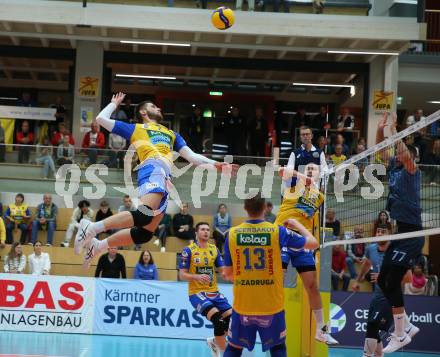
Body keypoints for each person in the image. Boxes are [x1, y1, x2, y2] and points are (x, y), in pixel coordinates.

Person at [74, 93, 237, 268]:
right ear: (143, 112)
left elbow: (192, 157)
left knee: (144, 234)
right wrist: (114, 103)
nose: (158, 108)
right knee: (143, 215)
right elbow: (101, 119)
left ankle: (99, 245)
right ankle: (91, 227)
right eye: (153, 106)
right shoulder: (136, 128)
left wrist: (216, 165)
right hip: (152, 168)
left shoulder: (171, 134)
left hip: (165, 177)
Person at [222, 195, 318, 356]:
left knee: (233, 348)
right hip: (271, 305)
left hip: (243, 304)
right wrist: (297, 224)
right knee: (278, 348)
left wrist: (245, 277)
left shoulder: (232, 234)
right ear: (265, 208)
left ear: (245, 208)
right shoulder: (277, 231)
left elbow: (227, 273)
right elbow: (313, 243)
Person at [376, 112, 424, 352]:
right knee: (384, 282)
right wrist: (380, 129)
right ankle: (406, 324)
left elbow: (403, 153)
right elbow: (379, 151)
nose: (397, 155)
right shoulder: (394, 171)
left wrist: (396, 131)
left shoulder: (412, 172)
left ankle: (399, 334)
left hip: (412, 234)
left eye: (402, 154)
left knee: (393, 281)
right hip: (399, 233)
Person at [276, 163, 338, 344]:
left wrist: (315, 250)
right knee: (278, 282)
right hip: (282, 234)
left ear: (320, 174)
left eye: (314, 169)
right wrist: (304, 177)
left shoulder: (319, 196)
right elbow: (282, 171)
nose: (311, 170)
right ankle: (275, 324)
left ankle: (321, 330)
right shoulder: (295, 183)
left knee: (312, 286)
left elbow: (310, 221)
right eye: (308, 168)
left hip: (302, 241)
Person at [352, 226, 419, 357]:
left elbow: (409, 278)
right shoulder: (371, 249)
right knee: (373, 328)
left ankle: (367, 355)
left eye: (383, 232)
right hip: (377, 296)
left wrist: (385, 277)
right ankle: (379, 355)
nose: (380, 233)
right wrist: (358, 280)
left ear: (390, 234)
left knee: (372, 325)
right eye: (378, 231)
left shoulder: (397, 252)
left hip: (390, 298)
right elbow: (366, 264)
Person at [179, 222, 232, 356]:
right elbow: (182, 274)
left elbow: (222, 270)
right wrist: (197, 277)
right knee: (218, 321)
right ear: (196, 233)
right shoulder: (188, 250)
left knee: (233, 321)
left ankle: (214, 341)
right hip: (196, 294)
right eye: (202, 229)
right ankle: (224, 352)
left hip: (214, 292)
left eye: (208, 230)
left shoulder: (214, 249)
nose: (206, 232)